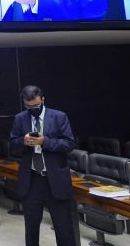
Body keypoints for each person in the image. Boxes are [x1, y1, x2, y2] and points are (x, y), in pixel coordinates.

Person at [10, 85, 76, 246]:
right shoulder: (20, 118)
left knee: (63, 228)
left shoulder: (59, 117)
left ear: (43, 99)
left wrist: (45, 141)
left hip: (55, 178)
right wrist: (23, 141)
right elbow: (12, 144)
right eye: (28, 107)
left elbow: (69, 144)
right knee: (31, 227)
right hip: (31, 179)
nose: (33, 109)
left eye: (36, 106)